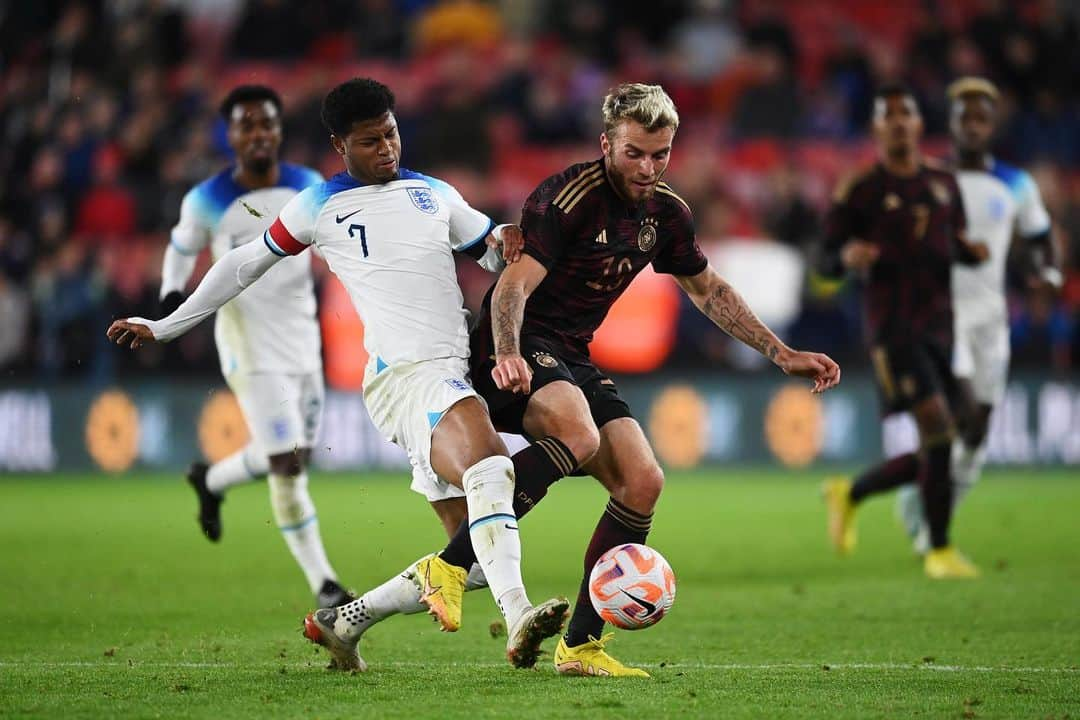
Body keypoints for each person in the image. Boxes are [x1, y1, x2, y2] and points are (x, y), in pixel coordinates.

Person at [313, 82, 840, 678]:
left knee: (642, 481)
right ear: (606, 143)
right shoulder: (567, 198)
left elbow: (708, 289)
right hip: (516, 342)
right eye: (635, 152)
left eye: (660, 154)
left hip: (571, 354)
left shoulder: (665, 214)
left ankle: (578, 645)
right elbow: (511, 285)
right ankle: (452, 566)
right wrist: (507, 354)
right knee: (580, 434)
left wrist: (780, 351)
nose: (648, 167)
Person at [107, 77, 566, 671]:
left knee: (472, 556)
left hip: (449, 373)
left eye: (392, 134)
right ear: (339, 145)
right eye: (370, 141)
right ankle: (520, 616)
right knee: (491, 467)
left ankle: (344, 623)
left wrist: (504, 239)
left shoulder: (433, 192)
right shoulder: (319, 204)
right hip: (406, 376)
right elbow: (244, 264)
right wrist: (167, 323)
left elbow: (488, 249)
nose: (387, 149)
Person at [161, 85, 351, 608]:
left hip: (303, 340)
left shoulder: (306, 185)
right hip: (249, 345)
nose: (258, 133)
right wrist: (173, 300)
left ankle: (211, 479)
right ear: (231, 135)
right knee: (287, 465)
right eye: (247, 125)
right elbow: (181, 251)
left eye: (266, 123)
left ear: (278, 130)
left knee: (296, 456)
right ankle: (326, 585)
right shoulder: (206, 199)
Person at [819, 84, 989, 579]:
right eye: (886, 115)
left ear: (919, 124)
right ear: (876, 128)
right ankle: (938, 549)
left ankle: (850, 493)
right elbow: (824, 260)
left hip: (941, 328)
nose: (897, 122)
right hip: (893, 331)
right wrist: (845, 258)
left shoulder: (943, 182)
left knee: (957, 437)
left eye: (905, 113)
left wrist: (969, 251)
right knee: (937, 427)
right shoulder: (860, 190)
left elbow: (949, 243)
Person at [893, 77, 1058, 552]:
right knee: (958, 415)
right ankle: (931, 532)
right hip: (942, 318)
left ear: (992, 124)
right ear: (952, 122)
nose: (972, 126)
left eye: (981, 117)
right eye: (964, 117)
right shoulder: (930, 180)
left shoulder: (1017, 184)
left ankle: (918, 496)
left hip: (991, 318)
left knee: (978, 429)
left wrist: (1045, 271)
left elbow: (1040, 239)